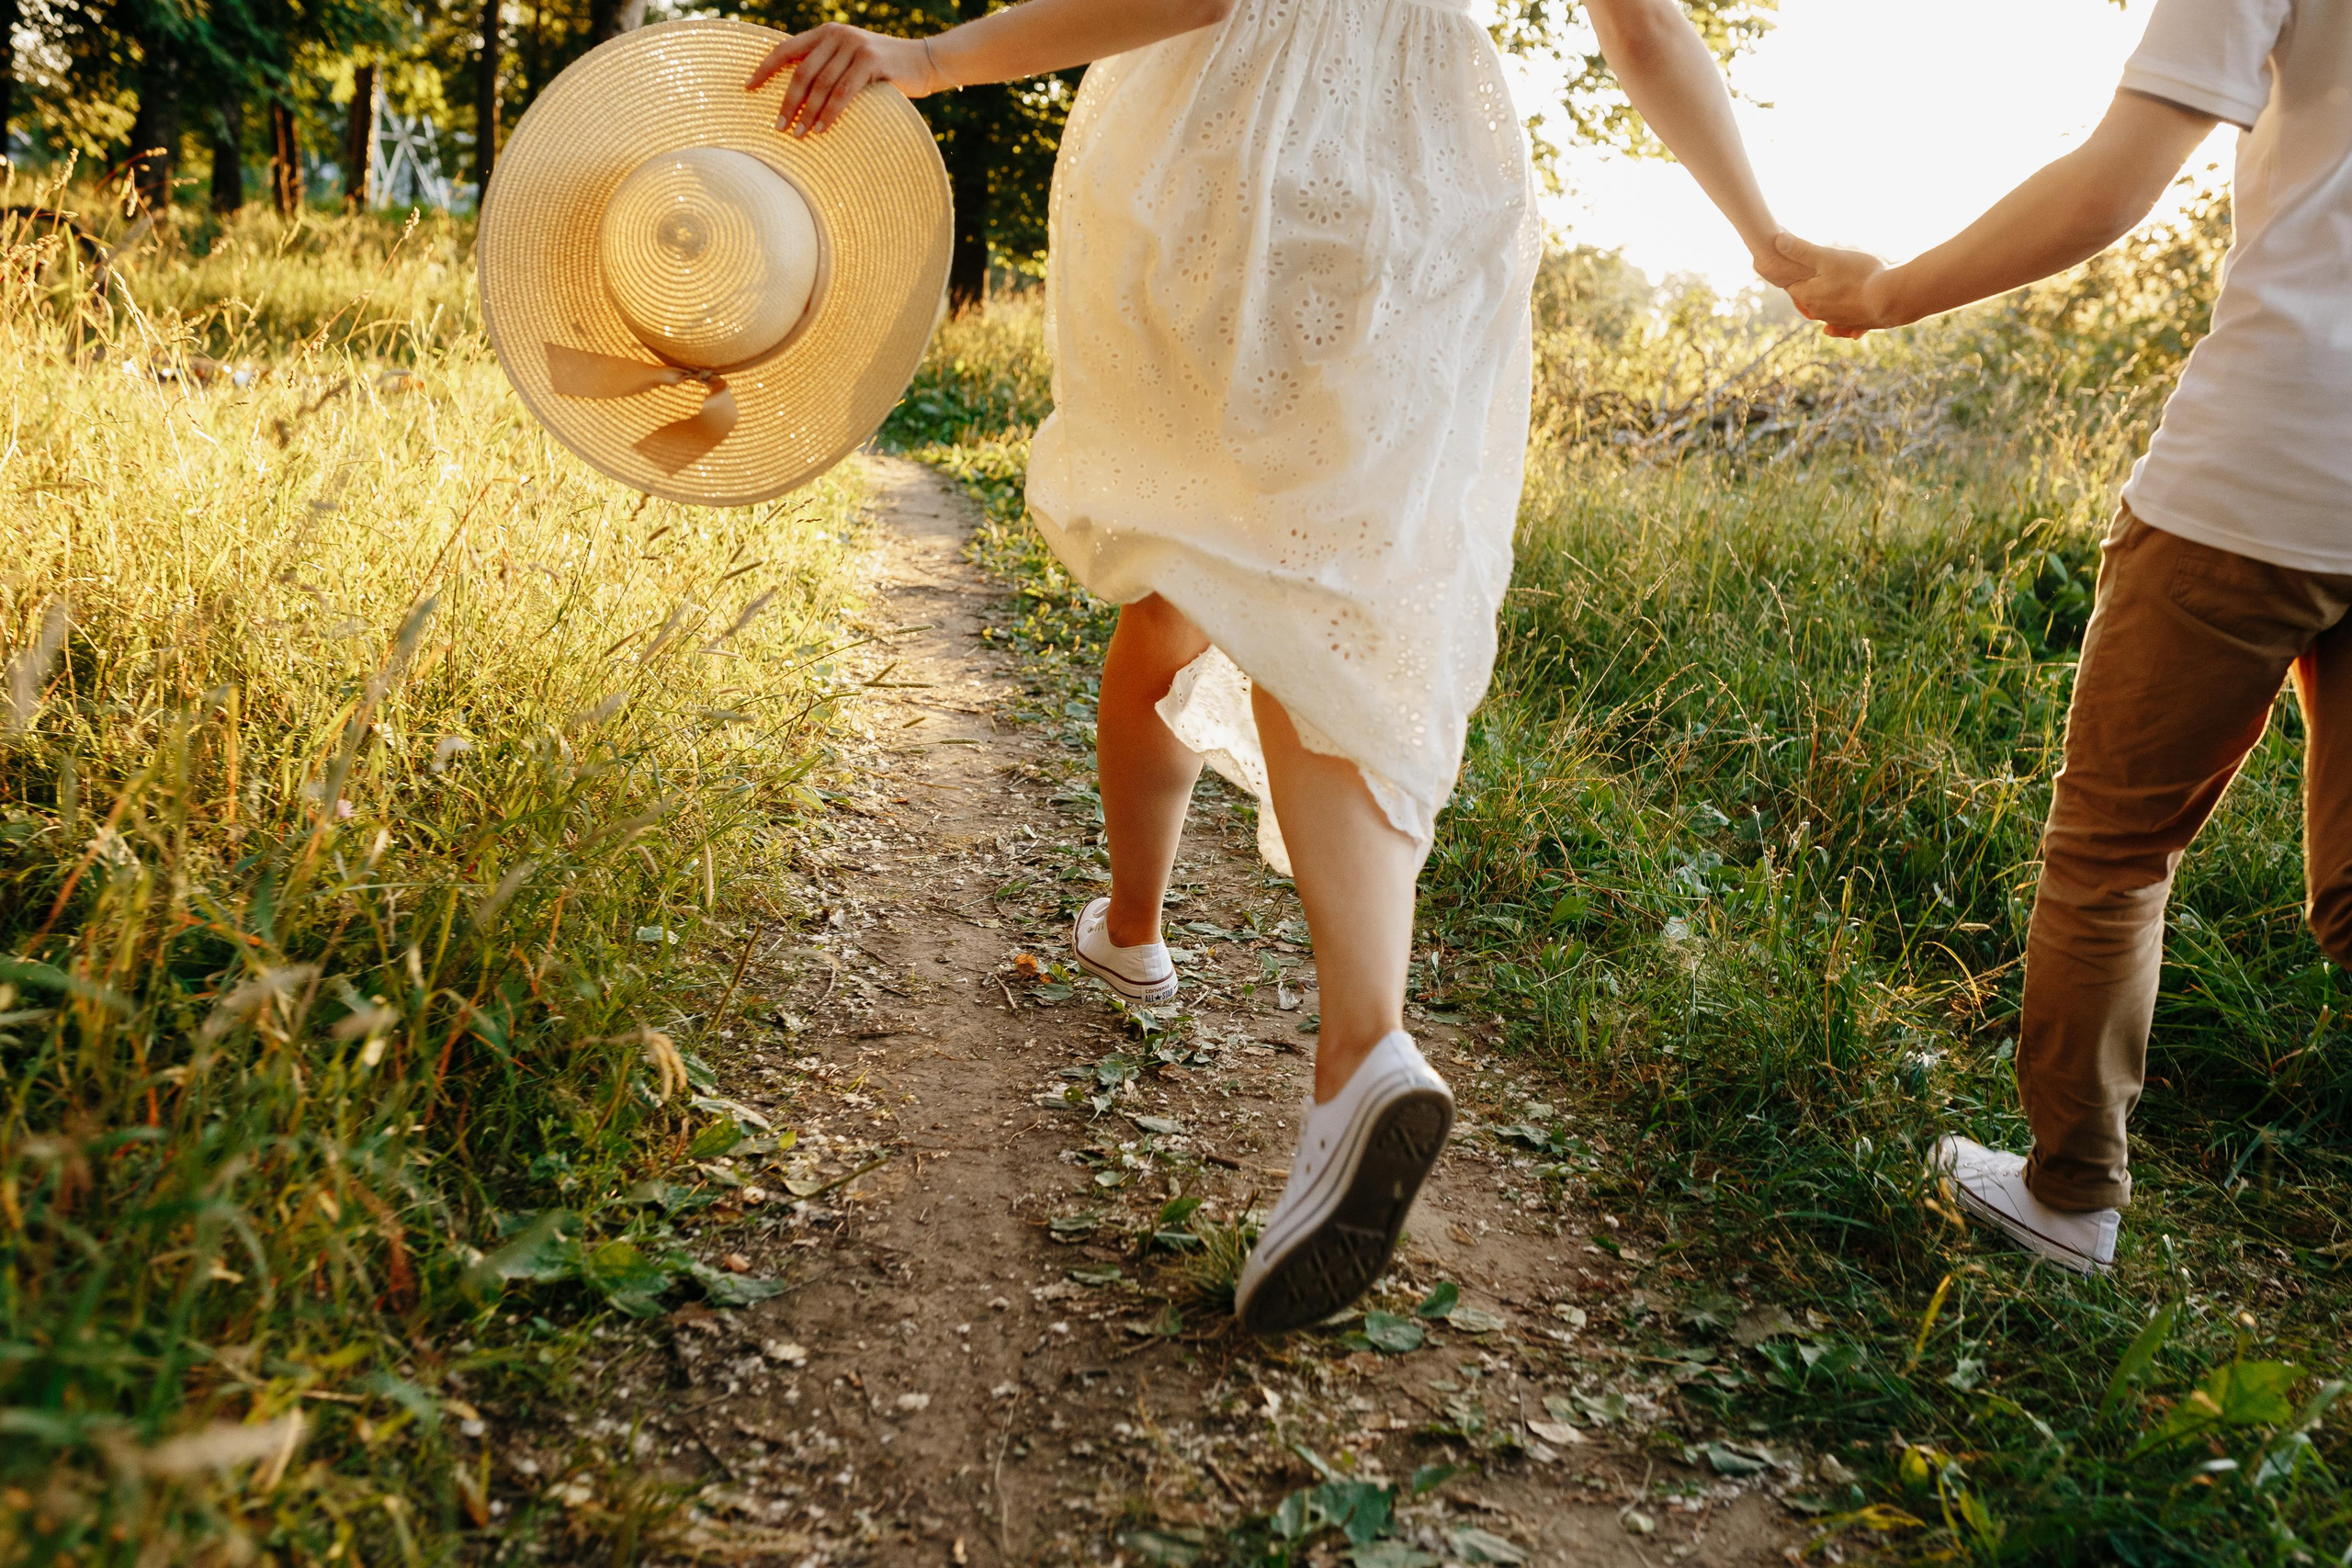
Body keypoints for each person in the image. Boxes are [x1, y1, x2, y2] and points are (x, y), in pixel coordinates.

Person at [751, 0, 1806, 1329]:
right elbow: (1645, 28)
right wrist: (1765, 233)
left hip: (1237, 154)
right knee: (1336, 597)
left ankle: (1135, 937)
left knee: (1190, 573)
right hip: (1434, 184)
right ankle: (1358, 1038)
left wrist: (936, 58)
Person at [1776, 0, 2349, 1276]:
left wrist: (1883, 291)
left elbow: (2110, 185)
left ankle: (2070, 1197)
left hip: (2268, 466)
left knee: (2116, 845)